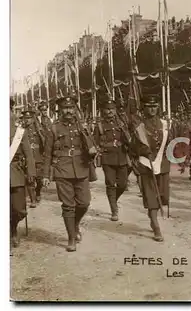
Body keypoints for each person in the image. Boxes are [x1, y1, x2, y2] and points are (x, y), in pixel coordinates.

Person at [42, 95, 97, 252]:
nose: (68, 111)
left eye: (71, 108)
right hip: (62, 169)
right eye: (65, 108)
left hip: (81, 167)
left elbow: (92, 147)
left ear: (75, 109)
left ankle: (75, 224)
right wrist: (46, 175)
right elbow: (47, 154)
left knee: (84, 203)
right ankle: (71, 238)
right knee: (68, 206)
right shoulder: (53, 128)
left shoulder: (82, 126)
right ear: (60, 110)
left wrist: (91, 145)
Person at [130, 95, 172, 242]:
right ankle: (155, 226)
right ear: (144, 108)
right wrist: (141, 151)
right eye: (149, 106)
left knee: (163, 195)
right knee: (150, 195)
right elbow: (132, 147)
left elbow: (171, 142)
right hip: (146, 163)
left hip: (163, 163)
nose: (152, 109)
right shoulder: (139, 126)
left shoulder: (165, 124)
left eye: (155, 106)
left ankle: (152, 215)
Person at [94, 96, 131, 221]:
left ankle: (113, 199)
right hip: (107, 157)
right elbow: (95, 142)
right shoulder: (100, 125)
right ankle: (114, 210)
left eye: (112, 109)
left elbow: (129, 139)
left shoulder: (121, 123)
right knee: (110, 184)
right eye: (107, 109)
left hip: (121, 156)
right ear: (103, 110)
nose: (110, 111)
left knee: (123, 184)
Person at [10, 98, 36, 248]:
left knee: (20, 209)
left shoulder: (19, 130)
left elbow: (28, 153)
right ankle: (12, 232)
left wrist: (31, 172)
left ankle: (12, 226)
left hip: (16, 172)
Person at [21, 106, 46, 208]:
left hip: (38, 157)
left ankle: (38, 191)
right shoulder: (21, 130)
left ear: (33, 119)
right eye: (26, 118)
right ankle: (33, 200)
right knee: (30, 179)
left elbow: (44, 142)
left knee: (39, 179)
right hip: (28, 158)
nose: (27, 120)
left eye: (29, 118)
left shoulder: (39, 129)